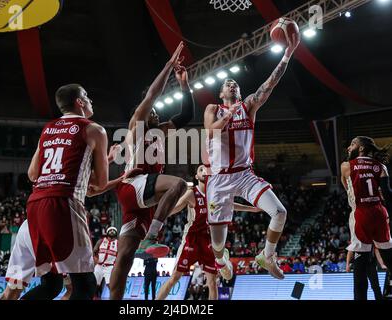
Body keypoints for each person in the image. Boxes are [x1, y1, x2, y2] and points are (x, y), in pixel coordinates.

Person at [203, 33, 300, 281]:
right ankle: (221, 260)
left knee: (280, 212)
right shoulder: (213, 109)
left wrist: (287, 54)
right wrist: (229, 114)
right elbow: (211, 131)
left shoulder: (248, 106)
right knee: (218, 245)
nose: (232, 84)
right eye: (227, 83)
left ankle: (267, 256)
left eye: (235, 83)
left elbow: (269, 84)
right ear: (221, 92)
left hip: (245, 175)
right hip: (219, 179)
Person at [110, 42, 195, 299]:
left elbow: (187, 114)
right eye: (154, 112)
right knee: (179, 185)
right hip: (134, 184)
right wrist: (169, 66)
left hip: (142, 199)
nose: (157, 114)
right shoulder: (137, 125)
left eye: (158, 113)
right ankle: (153, 235)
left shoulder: (160, 131)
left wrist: (184, 84)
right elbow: (150, 98)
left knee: (124, 258)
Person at [24, 83, 109, 300]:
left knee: (51, 285)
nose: (91, 100)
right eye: (87, 96)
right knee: (85, 285)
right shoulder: (95, 129)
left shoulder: (48, 129)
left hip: (35, 204)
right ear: (79, 102)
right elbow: (101, 182)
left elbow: (33, 174)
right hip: (63, 203)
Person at [156, 165, 261, 300]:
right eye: (201, 170)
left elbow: (231, 205)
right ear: (196, 177)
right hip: (191, 239)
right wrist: (160, 212)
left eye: (207, 170)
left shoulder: (216, 194)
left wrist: (252, 209)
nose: (205, 171)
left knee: (212, 282)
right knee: (174, 278)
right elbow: (175, 208)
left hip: (208, 240)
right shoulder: (191, 193)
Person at [341, 136, 392, 300]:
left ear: (361, 148)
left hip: (360, 214)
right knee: (388, 257)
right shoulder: (381, 166)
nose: (349, 148)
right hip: (379, 212)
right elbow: (388, 194)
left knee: (360, 265)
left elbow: (346, 186)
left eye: (352, 144)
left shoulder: (346, 166)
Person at [93, 226, 118, 297]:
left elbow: (120, 256)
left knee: (110, 285)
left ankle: (113, 298)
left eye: (114, 230)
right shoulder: (101, 241)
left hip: (109, 267)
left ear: (116, 233)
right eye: (110, 230)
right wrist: (95, 258)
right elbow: (94, 251)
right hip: (99, 266)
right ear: (107, 232)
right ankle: (94, 297)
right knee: (94, 285)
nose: (112, 231)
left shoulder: (118, 243)